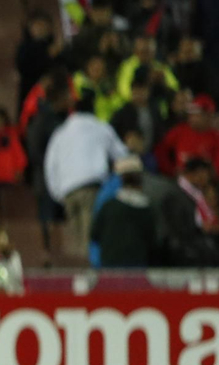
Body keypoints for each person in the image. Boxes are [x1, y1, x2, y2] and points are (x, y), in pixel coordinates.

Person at [43, 92, 128, 259]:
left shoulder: (60, 132)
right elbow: (122, 155)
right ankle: (91, 274)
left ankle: (81, 273)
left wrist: (58, 194)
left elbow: (50, 167)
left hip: (68, 193)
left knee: (78, 244)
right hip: (91, 189)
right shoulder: (100, 127)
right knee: (91, 240)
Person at [90, 155, 158, 268]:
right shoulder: (146, 209)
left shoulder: (108, 203)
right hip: (137, 267)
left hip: (109, 266)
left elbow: (95, 234)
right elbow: (152, 241)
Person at [156, 95, 219, 180]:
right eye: (191, 114)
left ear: (208, 116)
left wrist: (201, 178)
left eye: (197, 114)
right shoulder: (180, 131)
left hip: (204, 184)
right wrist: (171, 171)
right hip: (177, 180)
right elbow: (161, 149)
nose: (192, 117)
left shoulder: (218, 138)